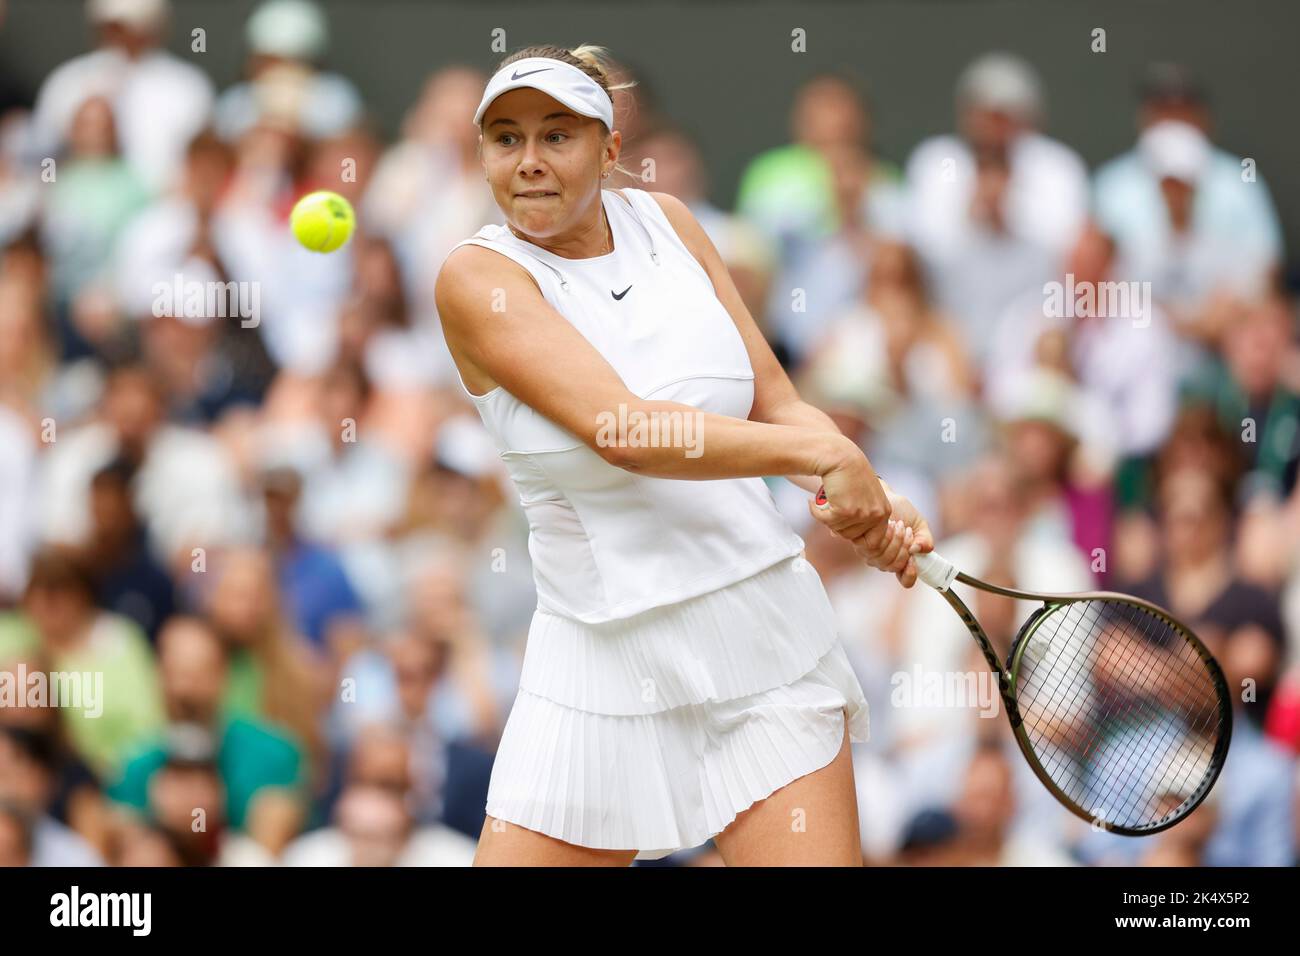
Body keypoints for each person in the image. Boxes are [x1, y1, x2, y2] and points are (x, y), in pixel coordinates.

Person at [435, 43, 935, 866]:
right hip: (594, 664)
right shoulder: (476, 277)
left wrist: (861, 486)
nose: (528, 162)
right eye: (505, 138)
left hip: (764, 642)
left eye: (556, 136)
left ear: (610, 149)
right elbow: (623, 431)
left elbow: (778, 403)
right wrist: (830, 457)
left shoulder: (673, 224)